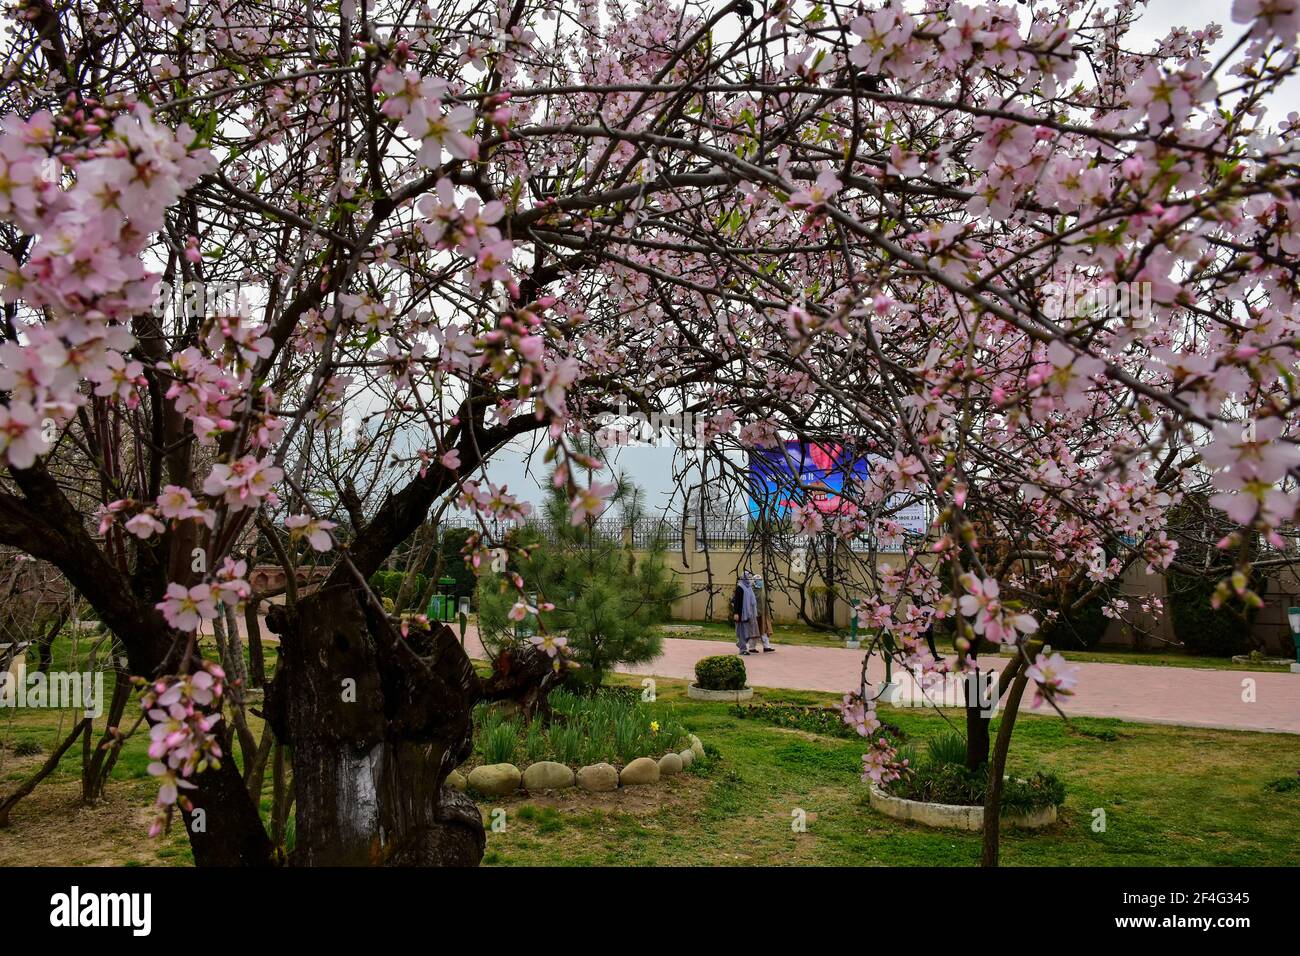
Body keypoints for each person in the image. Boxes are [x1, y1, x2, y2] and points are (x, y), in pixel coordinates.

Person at [732, 570, 759, 655]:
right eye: (748, 577)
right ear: (744, 578)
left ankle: (740, 643)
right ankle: (742, 649)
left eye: (750, 577)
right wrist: (736, 613)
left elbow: (752, 601)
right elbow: (737, 601)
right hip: (741, 614)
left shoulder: (749, 587)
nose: (749, 579)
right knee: (742, 632)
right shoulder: (740, 587)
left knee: (748, 632)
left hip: (749, 614)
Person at [748, 575, 776, 653]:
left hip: (763, 613)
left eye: (760, 579)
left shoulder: (762, 589)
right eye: (757, 580)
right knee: (754, 630)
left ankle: (766, 646)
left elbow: (763, 600)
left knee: (764, 630)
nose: (759, 581)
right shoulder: (751, 589)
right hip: (754, 613)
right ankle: (752, 647)